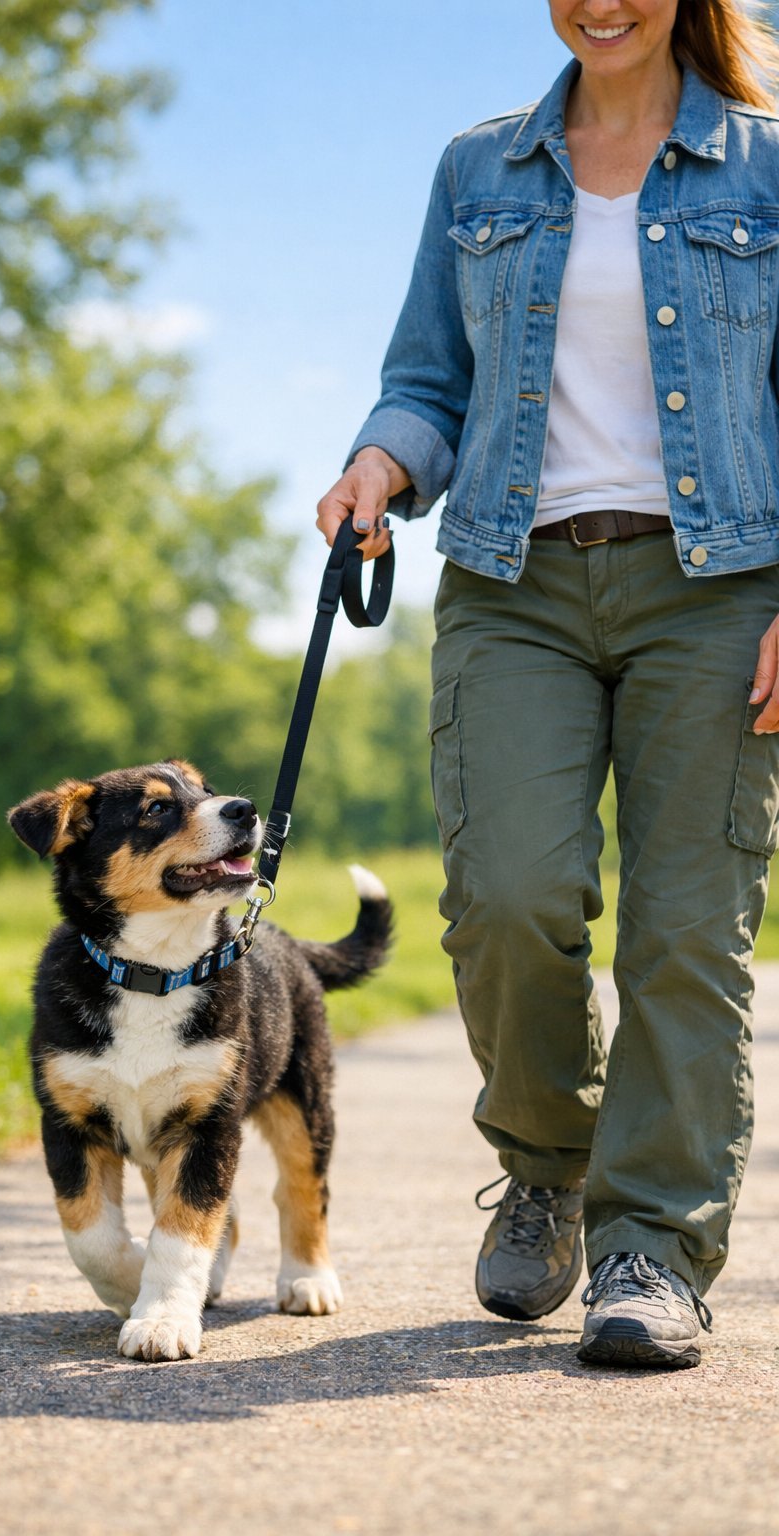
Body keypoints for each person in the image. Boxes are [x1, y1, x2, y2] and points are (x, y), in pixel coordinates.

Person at [316, 0, 779, 1369]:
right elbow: (426, 380)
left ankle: (652, 1248)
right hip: (513, 586)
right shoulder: (482, 172)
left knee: (687, 932)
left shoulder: (764, 166)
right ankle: (548, 1164)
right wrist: (378, 468)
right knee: (508, 898)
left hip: (717, 588)